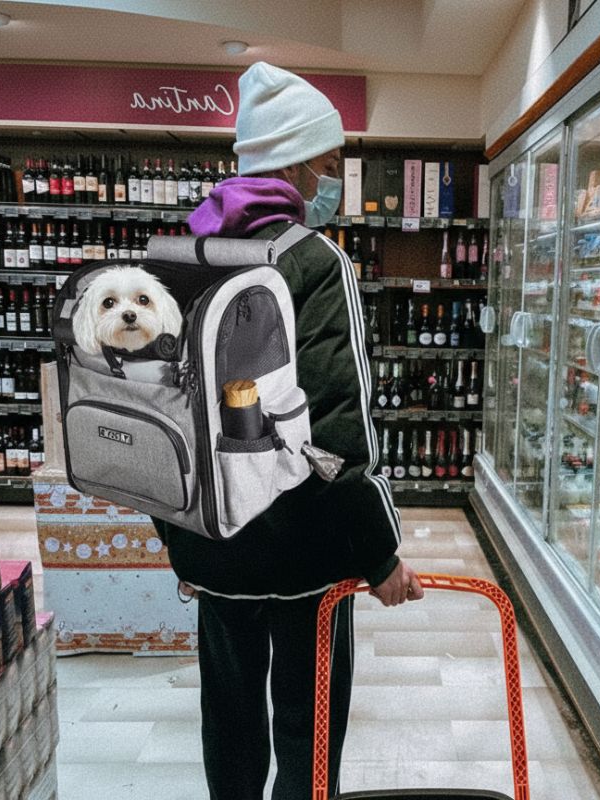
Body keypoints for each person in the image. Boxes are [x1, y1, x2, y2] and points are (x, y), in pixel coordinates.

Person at [151, 62, 424, 800]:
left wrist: (178, 536)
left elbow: (156, 410)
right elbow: (337, 426)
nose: (332, 181)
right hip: (306, 552)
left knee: (229, 722)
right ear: (295, 165)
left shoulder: (184, 256)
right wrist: (378, 553)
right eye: (328, 165)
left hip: (213, 542)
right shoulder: (314, 261)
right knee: (309, 725)